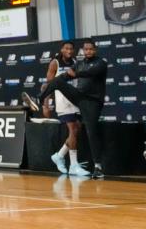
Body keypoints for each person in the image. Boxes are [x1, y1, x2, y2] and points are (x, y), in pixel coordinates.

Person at [23, 39, 107, 179]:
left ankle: (98, 167)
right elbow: (66, 75)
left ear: (95, 50)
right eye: (86, 49)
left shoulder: (100, 63)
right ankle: (38, 98)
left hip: (93, 103)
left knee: (90, 132)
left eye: (91, 49)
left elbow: (90, 72)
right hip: (79, 97)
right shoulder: (79, 63)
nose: (88, 52)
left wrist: (76, 73)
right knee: (57, 81)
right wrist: (47, 96)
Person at [44, 41, 87, 176]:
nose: (69, 50)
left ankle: (59, 155)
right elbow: (48, 85)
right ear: (62, 50)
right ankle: (73, 165)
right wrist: (46, 104)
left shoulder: (75, 62)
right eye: (66, 48)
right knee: (73, 129)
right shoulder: (55, 63)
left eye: (71, 49)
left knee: (77, 129)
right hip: (62, 101)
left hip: (74, 99)